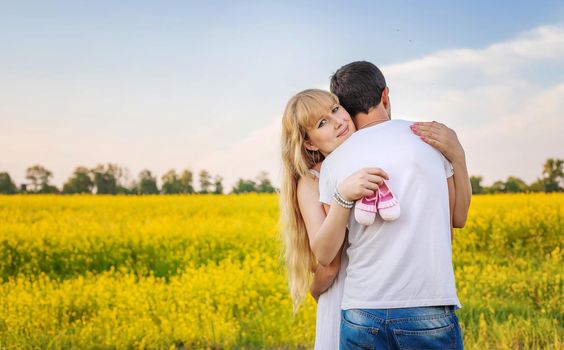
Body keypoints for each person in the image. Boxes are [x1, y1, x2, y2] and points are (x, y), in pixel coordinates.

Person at [280, 87, 470, 348]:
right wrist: (315, 291)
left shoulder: (365, 156)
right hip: (349, 294)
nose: (338, 122)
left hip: (374, 294)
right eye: (323, 123)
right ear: (310, 143)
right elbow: (329, 263)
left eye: (336, 109)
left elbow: (452, 219)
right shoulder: (313, 180)